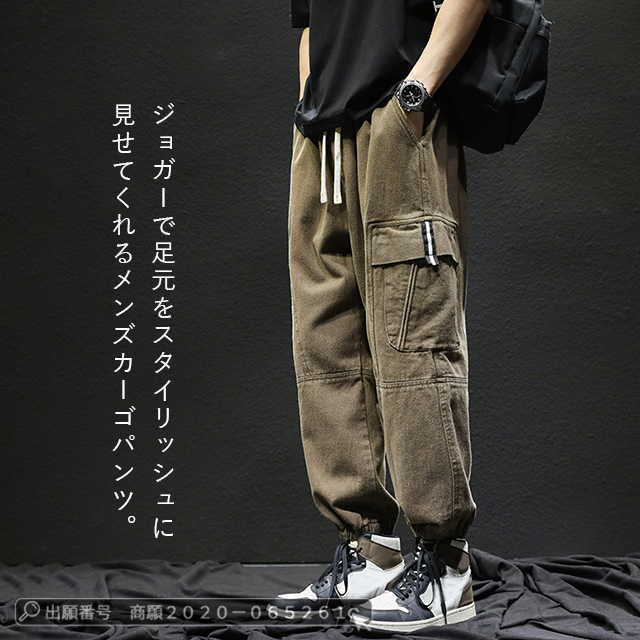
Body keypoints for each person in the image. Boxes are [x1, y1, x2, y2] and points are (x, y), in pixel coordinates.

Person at [268, 0, 492, 631]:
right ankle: (366, 550)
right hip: (322, 136)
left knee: (413, 335)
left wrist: (413, 98)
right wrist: (310, 107)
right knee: (327, 341)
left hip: (400, 123)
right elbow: (310, 21)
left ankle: (444, 562)